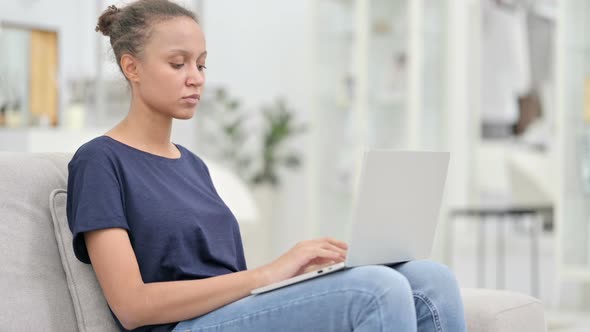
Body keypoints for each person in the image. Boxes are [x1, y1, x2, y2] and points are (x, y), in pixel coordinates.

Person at [66, 1, 467, 331]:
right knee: (376, 288)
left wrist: (293, 277)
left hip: (227, 314)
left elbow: (224, 282)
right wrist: (270, 273)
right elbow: (133, 306)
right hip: (181, 327)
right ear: (131, 67)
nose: (195, 78)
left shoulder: (193, 166)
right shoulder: (100, 161)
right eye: (178, 64)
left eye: (201, 65)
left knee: (431, 279)